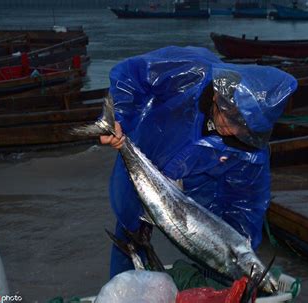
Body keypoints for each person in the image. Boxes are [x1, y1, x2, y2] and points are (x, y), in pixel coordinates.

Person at [101, 46, 297, 277]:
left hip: (193, 195)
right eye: (232, 117)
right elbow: (131, 75)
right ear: (219, 95)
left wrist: (231, 256)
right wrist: (118, 118)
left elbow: (244, 205)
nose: (233, 130)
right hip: (143, 159)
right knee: (129, 234)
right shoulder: (191, 69)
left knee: (213, 264)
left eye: (245, 127)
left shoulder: (250, 152)